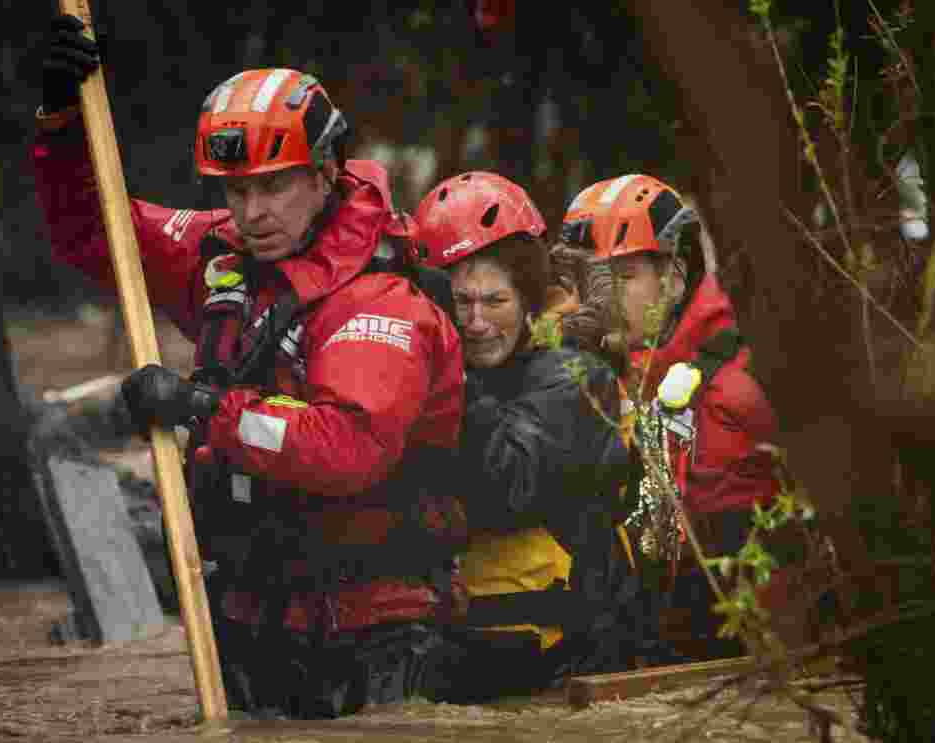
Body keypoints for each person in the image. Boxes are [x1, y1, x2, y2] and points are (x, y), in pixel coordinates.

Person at [32, 15, 466, 718]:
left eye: (274, 186)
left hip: (375, 640)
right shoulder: (222, 254)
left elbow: (347, 448)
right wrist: (60, 121)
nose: (253, 212)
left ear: (326, 171)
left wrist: (202, 409)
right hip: (250, 620)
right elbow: (93, 228)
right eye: (235, 191)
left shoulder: (384, 299)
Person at [410, 171, 648, 702]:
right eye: (460, 303)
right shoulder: (450, 370)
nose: (475, 322)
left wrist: (448, 374)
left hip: (566, 666)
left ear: (528, 298)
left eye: (494, 302)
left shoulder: (578, 374)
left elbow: (509, 483)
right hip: (474, 656)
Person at [585, 174, 781, 660]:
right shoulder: (610, 367)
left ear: (673, 278)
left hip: (742, 639)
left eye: (625, 277)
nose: (604, 298)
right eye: (596, 278)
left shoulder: (746, 376)